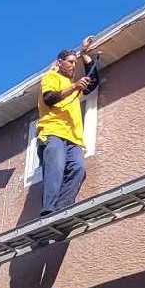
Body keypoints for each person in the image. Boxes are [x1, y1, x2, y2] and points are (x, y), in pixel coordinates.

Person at [36, 37, 99, 216]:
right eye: (70, 62)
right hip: (52, 132)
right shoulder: (51, 77)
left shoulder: (74, 85)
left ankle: (62, 209)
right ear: (59, 63)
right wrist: (74, 87)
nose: (73, 65)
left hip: (74, 139)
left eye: (75, 62)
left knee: (78, 169)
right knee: (55, 167)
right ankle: (49, 209)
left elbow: (92, 83)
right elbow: (50, 98)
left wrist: (85, 54)